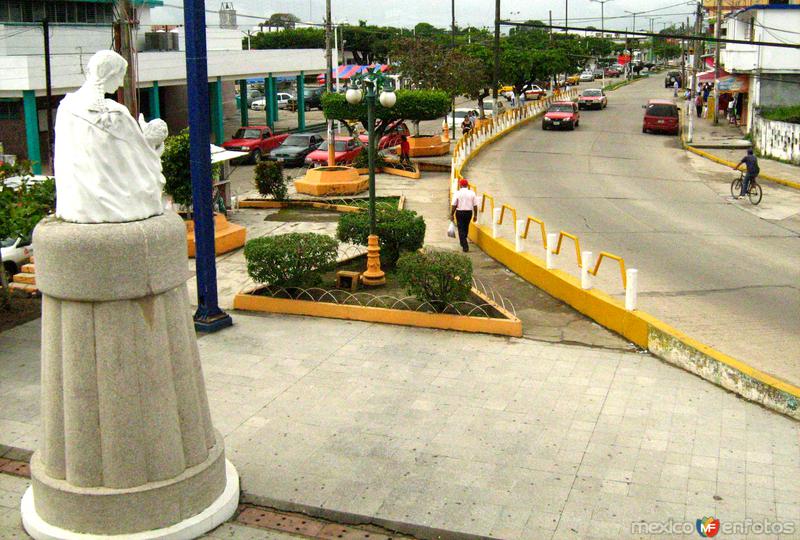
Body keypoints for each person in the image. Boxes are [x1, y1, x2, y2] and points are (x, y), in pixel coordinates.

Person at [450, 178, 478, 252]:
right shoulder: (472, 193)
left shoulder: (457, 193)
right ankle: (463, 241)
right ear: (467, 185)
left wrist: (452, 214)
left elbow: (454, 205)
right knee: (466, 227)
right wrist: (475, 215)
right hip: (469, 213)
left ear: (460, 185)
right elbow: (475, 205)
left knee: (461, 229)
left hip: (460, 213)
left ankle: (465, 245)